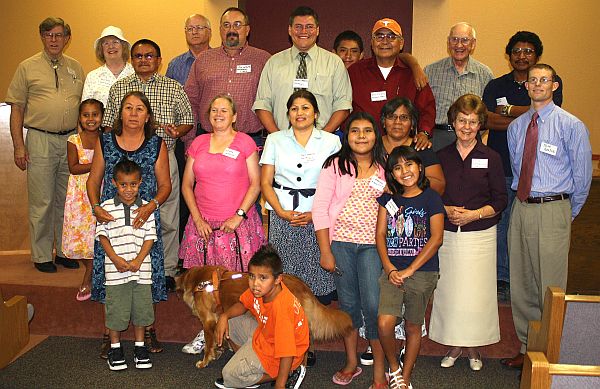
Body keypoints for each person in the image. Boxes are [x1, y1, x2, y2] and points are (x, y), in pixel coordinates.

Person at [502, 64, 592, 369]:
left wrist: (567, 211)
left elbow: (582, 177)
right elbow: (517, 170)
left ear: (554, 86)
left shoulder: (571, 125)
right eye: (533, 80)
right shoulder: (516, 128)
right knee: (522, 281)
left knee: (550, 285)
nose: (538, 84)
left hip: (554, 208)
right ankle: (528, 347)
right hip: (522, 207)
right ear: (526, 87)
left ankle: (552, 350)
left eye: (544, 80)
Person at [103, 39, 194, 292]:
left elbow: (188, 120)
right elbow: (109, 124)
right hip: (125, 161)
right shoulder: (119, 88)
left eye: (149, 56)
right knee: (125, 217)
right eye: (139, 56)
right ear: (131, 60)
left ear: (159, 59)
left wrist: (178, 131)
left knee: (167, 216)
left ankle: (166, 269)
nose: (144, 60)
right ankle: (127, 266)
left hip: (161, 157)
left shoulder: (173, 87)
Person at [178, 95, 266, 355]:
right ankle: (207, 330)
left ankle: (238, 334)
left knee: (235, 285)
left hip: (236, 227)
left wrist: (239, 215)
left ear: (235, 116)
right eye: (214, 110)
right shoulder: (199, 143)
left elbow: (256, 183)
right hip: (203, 226)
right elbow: (186, 185)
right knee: (205, 286)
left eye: (224, 110)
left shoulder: (245, 142)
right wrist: (196, 218)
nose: (218, 114)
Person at [88, 91, 171, 355]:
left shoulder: (157, 144)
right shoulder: (105, 141)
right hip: (110, 219)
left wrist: (151, 206)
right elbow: (93, 181)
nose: (133, 114)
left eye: (139, 109)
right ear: (120, 113)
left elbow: (166, 185)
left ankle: (147, 331)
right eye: (128, 108)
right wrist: (96, 207)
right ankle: (108, 333)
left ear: (148, 116)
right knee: (111, 274)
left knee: (146, 273)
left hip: (143, 219)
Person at [482, 31, 563, 301]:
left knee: (527, 228)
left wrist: (505, 111)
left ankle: (524, 280)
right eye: (517, 51)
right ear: (509, 55)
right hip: (501, 164)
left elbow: (545, 113)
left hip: (537, 172)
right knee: (502, 223)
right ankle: (502, 278)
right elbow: (487, 120)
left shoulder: (549, 83)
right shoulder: (495, 85)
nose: (522, 55)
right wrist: (525, 111)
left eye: (528, 51)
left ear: (536, 56)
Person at [429, 94, 507, 371]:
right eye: (462, 120)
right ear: (453, 121)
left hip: (481, 235)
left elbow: (500, 200)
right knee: (450, 291)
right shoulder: (441, 157)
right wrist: (446, 208)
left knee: (477, 293)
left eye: (473, 122)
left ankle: (474, 347)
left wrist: (474, 214)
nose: (466, 126)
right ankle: (453, 344)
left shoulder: (491, 157)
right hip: (448, 233)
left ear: (481, 125)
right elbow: (430, 193)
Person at [313, 112, 387, 388]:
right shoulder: (335, 165)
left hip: (372, 247)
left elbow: (394, 205)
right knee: (348, 306)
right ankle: (352, 362)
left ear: (376, 135)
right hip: (340, 245)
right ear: (347, 136)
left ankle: (380, 370)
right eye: (355, 131)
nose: (361, 136)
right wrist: (325, 251)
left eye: (367, 131)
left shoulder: (385, 165)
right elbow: (319, 208)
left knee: (373, 305)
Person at [7, 17, 84, 273]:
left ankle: (64, 251)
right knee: (42, 201)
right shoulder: (26, 67)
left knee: (66, 200)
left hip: (70, 140)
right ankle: (41, 256)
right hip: (39, 139)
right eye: (49, 34)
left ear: (66, 38)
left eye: (59, 35)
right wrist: (19, 145)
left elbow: (85, 109)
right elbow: (17, 108)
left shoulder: (75, 68)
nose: (54, 39)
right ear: (42, 37)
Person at [260, 90, 341, 302]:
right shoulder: (275, 139)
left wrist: (315, 214)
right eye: (294, 109)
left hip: (319, 215)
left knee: (317, 277)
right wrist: (280, 212)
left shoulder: (331, 142)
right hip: (283, 212)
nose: (299, 113)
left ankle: (315, 323)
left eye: (305, 108)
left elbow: (338, 186)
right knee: (284, 274)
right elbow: (266, 182)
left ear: (316, 113)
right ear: (288, 115)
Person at [376, 146, 444, 389]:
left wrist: (410, 270)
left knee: (413, 326)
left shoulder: (432, 198)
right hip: (392, 273)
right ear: (392, 174)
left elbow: (436, 238)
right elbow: (381, 234)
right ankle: (393, 368)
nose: (404, 171)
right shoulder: (388, 199)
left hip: (422, 273)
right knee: (385, 323)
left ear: (420, 167)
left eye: (409, 164)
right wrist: (389, 268)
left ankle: (405, 377)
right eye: (397, 167)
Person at [215, 244, 308, 389]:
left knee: (229, 377)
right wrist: (224, 316)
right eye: (252, 276)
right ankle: (251, 365)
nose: (255, 284)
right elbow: (242, 304)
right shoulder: (261, 290)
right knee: (230, 322)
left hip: (283, 354)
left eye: (263, 278)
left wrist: (280, 385)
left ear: (278, 279)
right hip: (265, 336)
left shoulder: (282, 307)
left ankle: (287, 373)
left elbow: (287, 352)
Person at [96, 159, 156, 371]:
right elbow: (102, 236)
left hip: (141, 272)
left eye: (133, 184)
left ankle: (140, 348)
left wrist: (139, 260)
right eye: (123, 184)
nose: (128, 189)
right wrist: (115, 259)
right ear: (114, 183)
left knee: (141, 311)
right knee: (116, 311)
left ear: (140, 183)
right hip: (115, 272)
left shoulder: (146, 208)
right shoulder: (106, 208)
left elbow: (150, 237)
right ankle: (115, 347)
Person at [253, 6, 352, 134]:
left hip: (324, 139)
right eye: (298, 26)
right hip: (282, 140)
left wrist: (322, 139)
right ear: (290, 30)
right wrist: (278, 138)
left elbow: (343, 105)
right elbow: (262, 105)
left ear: (317, 30)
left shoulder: (334, 63)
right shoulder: (273, 63)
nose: (304, 31)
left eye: (309, 27)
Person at [185, 7, 271, 150]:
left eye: (237, 25)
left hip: (252, 142)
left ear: (247, 30)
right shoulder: (203, 60)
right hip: (209, 140)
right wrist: (189, 141)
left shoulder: (263, 60)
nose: (232, 29)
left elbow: (272, 102)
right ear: (220, 30)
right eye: (226, 25)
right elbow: (191, 102)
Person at [348, 18, 435, 151]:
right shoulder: (355, 72)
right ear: (371, 43)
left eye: (391, 36)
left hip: (403, 150)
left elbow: (427, 108)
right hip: (363, 147)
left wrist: (424, 132)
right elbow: (343, 107)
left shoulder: (413, 74)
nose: (385, 41)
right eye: (379, 36)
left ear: (401, 44)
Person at [166, 13, 212, 248]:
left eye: (199, 28)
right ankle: (184, 250)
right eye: (189, 28)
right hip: (182, 139)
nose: (194, 32)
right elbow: (168, 103)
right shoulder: (175, 64)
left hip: (209, 136)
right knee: (184, 195)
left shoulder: (217, 59)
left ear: (210, 32)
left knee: (207, 191)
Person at [424, 22, 493, 151]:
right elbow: (422, 108)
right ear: (448, 42)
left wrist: (472, 132)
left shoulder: (485, 74)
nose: (459, 45)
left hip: (471, 137)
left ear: (473, 44)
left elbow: (487, 113)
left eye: (465, 40)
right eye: (454, 39)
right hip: (439, 137)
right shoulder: (430, 71)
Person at [62, 99, 103, 301]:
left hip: (101, 190)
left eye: (95, 114)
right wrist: (97, 164)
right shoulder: (73, 140)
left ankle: (90, 277)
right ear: (80, 117)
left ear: (102, 117)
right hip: (80, 195)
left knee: (98, 235)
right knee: (84, 238)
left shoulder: (106, 138)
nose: (90, 119)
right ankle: (91, 275)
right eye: (86, 115)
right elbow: (74, 167)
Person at [381, 97, 446, 195]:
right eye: (392, 116)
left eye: (404, 117)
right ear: (383, 122)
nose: (397, 122)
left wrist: (407, 183)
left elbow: (439, 186)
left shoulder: (421, 146)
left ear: (412, 124)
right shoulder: (373, 145)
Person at [81, 26, 134, 106]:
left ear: (123, 46)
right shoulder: (93, 77)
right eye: (106, 43)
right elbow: (86, 110)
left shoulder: (135, 73)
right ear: (101, 49)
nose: (111, 46)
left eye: (115, 42)